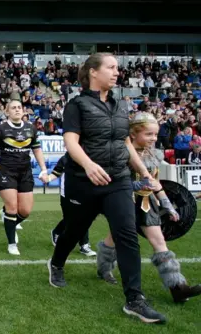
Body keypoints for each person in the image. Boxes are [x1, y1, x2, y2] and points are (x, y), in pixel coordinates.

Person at [46, 53, 166, 324]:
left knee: (126, 234)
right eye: (110, 67)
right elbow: (71, 143)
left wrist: (145, 174)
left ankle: (135, 299)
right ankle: (56, 264)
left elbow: (124, 144)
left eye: (117, 68)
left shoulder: (120, 105)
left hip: (119, 180)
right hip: (84, 182)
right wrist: (88, 165)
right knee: (73, 231)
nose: (116, 72)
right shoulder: (76, 105)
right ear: (92, 72)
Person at [96, 112, 201, 303]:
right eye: (149, 134)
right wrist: (135, 186)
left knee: (159, 242)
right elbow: (114, 181)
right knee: (114, 237)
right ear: (133, 134)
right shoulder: (120, 153)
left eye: (155, 134)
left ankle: (177, 287)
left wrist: (168, 205)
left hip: (147, 204)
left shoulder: (153, 154)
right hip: (123, 202)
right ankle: (104, 268)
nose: (153, 139)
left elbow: (155, 182)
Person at [0, 100, 48, 255]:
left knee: (25, 211)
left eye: (19, 107)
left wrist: (44, 169)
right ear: (7, 112)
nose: (17, 110)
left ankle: (8, 220)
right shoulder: (0, 130)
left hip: (25, 172)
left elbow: (37, 150)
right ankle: (12, 243)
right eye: (13, 108)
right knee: (12, 207)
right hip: (6, 171)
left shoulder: (31, 128)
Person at [47, 154, 97, 256]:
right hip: (67, 192)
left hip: (86, 191)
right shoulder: (68, 156)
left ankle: (84, 245)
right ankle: (57, 232)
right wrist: (48, 178)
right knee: (70, 218)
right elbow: (56, 172)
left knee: (84, 216)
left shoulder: (94, 153)